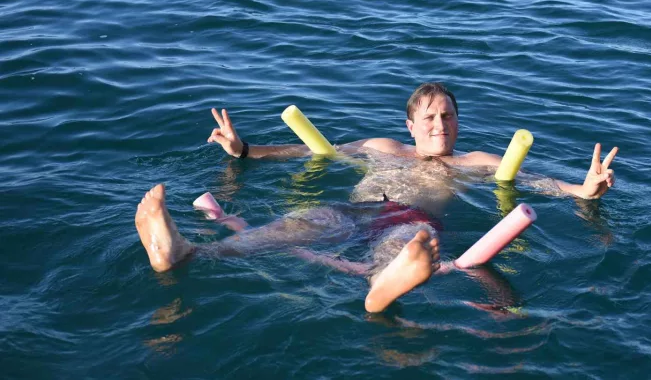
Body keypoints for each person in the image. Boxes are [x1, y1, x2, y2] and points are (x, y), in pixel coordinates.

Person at [135, 82, 617, 312]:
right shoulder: (381, 147)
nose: (439, 126)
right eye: (429, 118)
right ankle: (185, 253)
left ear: (458, 122)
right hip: (353, 211)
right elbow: (305, 152)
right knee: (290, 227)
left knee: (414, 242)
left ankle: (380, 294)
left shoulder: (475, 162)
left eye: (447, 117)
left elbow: (537, 181)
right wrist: (244, 150)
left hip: (412, 220)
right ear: (410, 126)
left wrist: (583, 189)